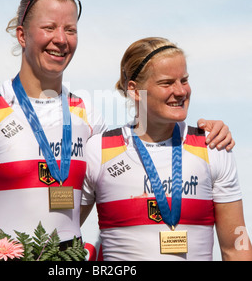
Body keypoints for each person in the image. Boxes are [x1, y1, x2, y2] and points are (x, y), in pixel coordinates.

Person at [0, 0, 234, 261]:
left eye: (70, 29)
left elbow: (144, 151)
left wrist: (209, 130)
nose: (61, 39)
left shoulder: (90, 115)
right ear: (22, 34)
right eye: (49, 27)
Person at [81, 37, 252, 261]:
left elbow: (236, 246)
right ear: (134, 90)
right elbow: (63, 232)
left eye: (184, 80)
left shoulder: (213, 146)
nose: (180, 91)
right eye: (167, 83)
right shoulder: (98, 149)